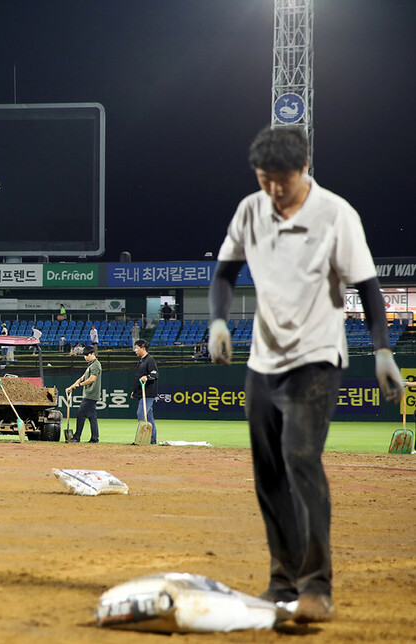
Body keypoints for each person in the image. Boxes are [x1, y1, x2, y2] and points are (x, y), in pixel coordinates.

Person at [207, 125, 404, 624]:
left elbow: (368, 286)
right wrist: (217, 321)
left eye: (282, 180)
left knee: (300, 457)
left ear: (304, 170)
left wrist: (382, 350)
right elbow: (225, 272)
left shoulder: (336, 214)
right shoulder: (251, 210)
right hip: (262, 361)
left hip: (316, 357)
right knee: (268, 472)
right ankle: (281, 580)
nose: (273, 189)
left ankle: (317, 587)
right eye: (263, 178)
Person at [65, 345, 102, 443]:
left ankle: (76, 437)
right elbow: (82, 378)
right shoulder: (91, 365)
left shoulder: (96, 365)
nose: (85, 357)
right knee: (92, 417)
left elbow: (92, 379)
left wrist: (80, 385)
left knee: (81, 414)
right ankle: (95, 438)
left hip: (91, 395)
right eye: (84, 355)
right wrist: (71, 386)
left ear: (93, 354)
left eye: (87, 355)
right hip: (90, 395)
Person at [132, 339, 158, 444]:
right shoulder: (141, 360)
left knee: (141, 414)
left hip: (148, 393)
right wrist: (134, 391)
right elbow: (138, 377)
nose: (135, 350)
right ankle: (152, 439)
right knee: (149, 417)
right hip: (142, 393)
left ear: (143, 348)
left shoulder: (150, 360)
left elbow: (154, 374)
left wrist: (147, 377)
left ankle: (142, 439)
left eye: (136, 348)